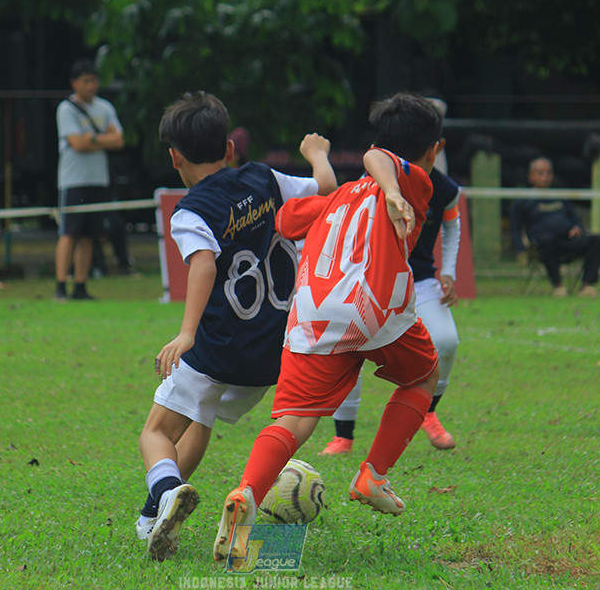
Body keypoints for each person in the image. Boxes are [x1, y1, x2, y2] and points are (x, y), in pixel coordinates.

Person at [212, 93, 446, 563]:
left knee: (294, 421)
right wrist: (395, 193)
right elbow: (378, 158)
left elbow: (286, 218)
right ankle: (372, 475)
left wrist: (319, 160)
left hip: (315, 314)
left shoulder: (339, 197)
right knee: (423, 376)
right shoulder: (417, 183)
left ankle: (247, 495)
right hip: (375, 308)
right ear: (433, 152)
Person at [136, 92, 337, 561]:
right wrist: (318, 155)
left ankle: (165, 494)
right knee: (200, 419)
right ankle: (154, 518)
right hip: (270, 350)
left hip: (219, 347)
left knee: (156, 433)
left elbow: (204, 264)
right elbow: (325, 190)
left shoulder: (191, 211)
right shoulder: (265, 177)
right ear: (229, 148)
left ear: (174, 157)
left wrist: (187, 334)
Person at [319, 165, 462, 455]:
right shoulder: (368, 181)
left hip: (420, 281)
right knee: (349, 348)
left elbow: (452, 223)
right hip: (372, 278)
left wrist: (448, 270)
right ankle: (343, 437)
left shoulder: (444, 188)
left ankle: (428, 411)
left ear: (436, 147)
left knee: (447, 341)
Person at [54, 59, 124, 301]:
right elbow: (77, 143)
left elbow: (119, 140)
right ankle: (61, 285)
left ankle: (81, 286)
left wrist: (92, 139)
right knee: (69, 232)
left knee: (89, 235)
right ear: (74, 83)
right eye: (86, 81)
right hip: (73, 181)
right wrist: (100, 139)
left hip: (98, 180)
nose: (91, 85)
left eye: (94, 80)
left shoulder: (105, 108)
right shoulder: (66, 109)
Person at [511, 157, 600, 297]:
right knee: (547, 240)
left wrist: (577, 228)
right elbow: (515, 228)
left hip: (568, 241)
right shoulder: (523, 200)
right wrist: (521, 249)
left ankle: (587, 286)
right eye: (540, 173)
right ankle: (558, 286)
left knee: (596, 240)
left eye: (548, 173)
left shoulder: (560, 196)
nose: (545, 177)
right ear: (531, 176)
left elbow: (576, 219)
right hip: (543, 245)